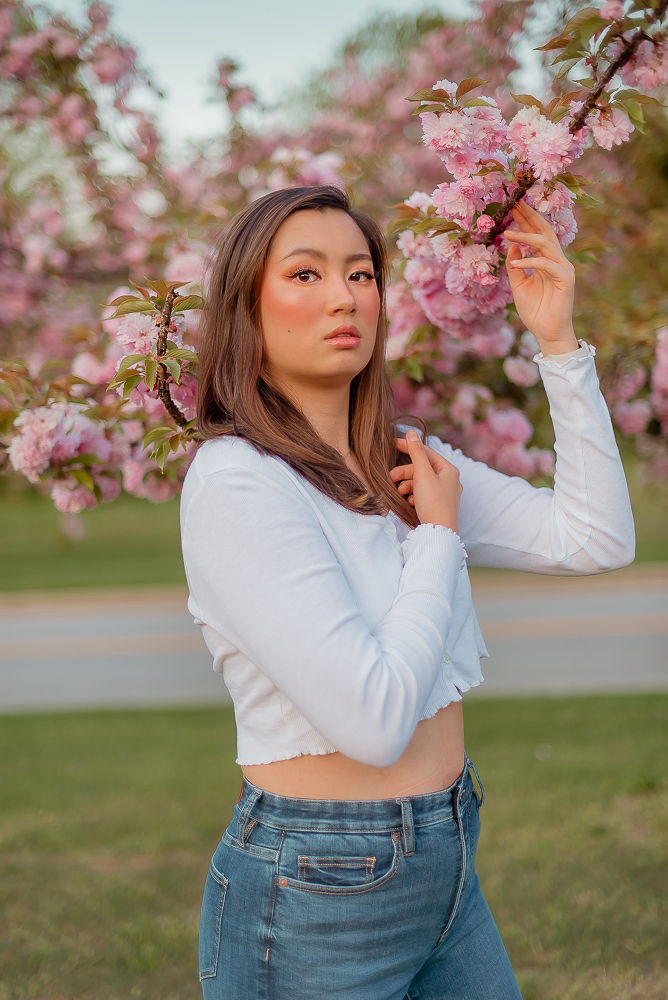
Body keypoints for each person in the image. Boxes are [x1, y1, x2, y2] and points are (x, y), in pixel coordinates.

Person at [179, 184, 634, 999]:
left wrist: (559, 346)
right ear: (248, 305)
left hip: (447, 857)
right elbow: (375, 720)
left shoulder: (401, 458)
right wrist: (437, 537)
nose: (345, 297)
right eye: (307, 275)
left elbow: (595, 538)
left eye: (361, 274)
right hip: (317, 885)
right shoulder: (238, 483)